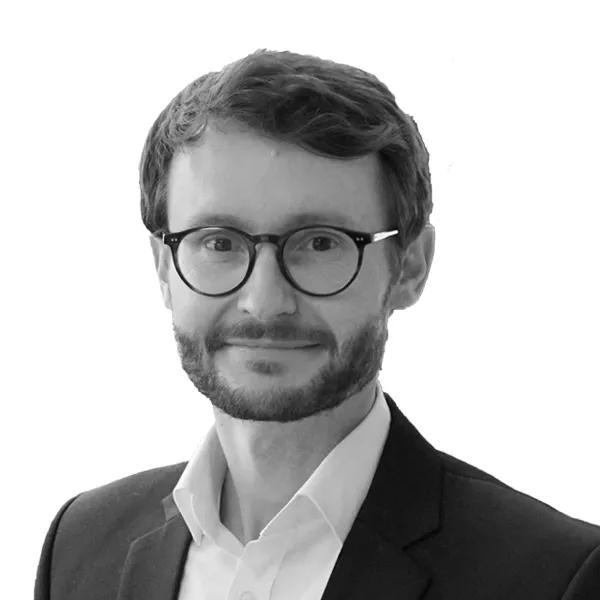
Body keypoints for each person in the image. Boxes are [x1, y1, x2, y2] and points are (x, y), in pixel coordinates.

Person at [35, 49, 600, 600]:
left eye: (320, 243)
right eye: (219, 243)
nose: (264, 302)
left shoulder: (555, 578)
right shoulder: (80, 546)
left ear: (410, 267)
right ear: (164, 267)